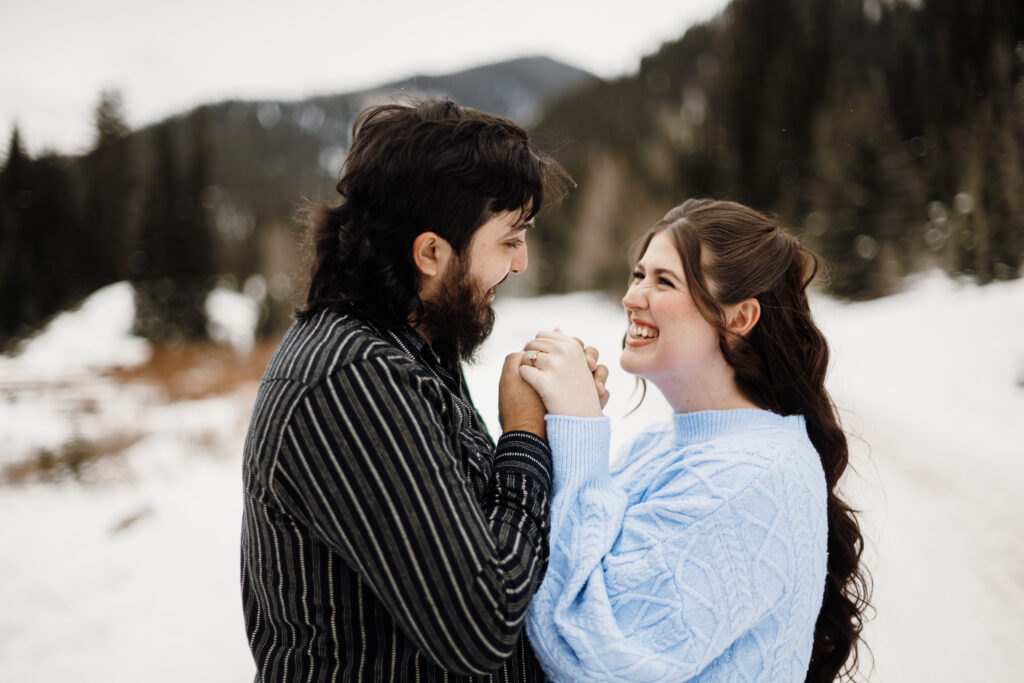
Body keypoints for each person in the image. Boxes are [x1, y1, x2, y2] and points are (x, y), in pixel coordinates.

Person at [240, 98, 597, 682]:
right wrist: (525, 435)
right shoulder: (352, 380)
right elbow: (482, 626)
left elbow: (480, 533)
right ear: (431, 252)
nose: (521, 261)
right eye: (510, 239)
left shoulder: (410, 346)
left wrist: (561, 419)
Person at [518, 199, 870, 682]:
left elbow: (591, 654)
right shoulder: (660, 445)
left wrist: (578, 428)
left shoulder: (753, 474)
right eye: (638, 275)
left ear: (739, 318)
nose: (632, 296)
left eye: (664, 281)